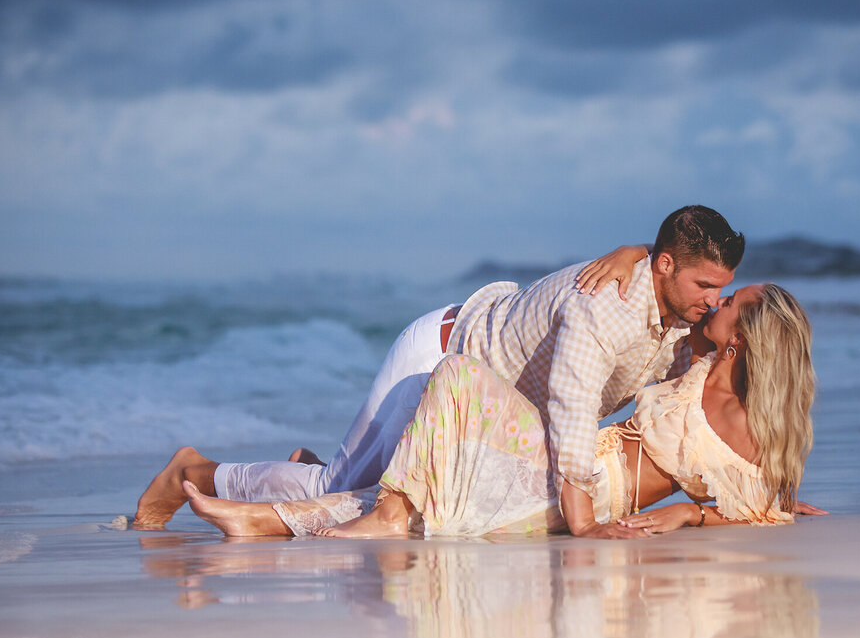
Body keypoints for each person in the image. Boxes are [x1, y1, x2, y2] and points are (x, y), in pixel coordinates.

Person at [134, 205, 744, 533]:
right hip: (442, 359)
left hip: (476, 402)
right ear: (664, 266)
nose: (714, 299)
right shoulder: (605, 306)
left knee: (365, 484)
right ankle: (197, 471)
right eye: (705, 284)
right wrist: (580, 518)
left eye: (723, 289)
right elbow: (573, 400)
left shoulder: (671, 305)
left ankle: (328, 462)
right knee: (341, 493)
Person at [182, 283, 820, 540]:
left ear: (745, 337)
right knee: (450, 402)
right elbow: (652, 289)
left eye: (730, 301)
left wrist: (689, 514)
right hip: (565, 456)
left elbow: (758, 510)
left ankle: (258, 519)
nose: (717, 302)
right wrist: (631, 255)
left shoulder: (750, 431)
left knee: (425, 498)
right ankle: (260, 515)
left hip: (588, 496)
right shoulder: (696, 360)